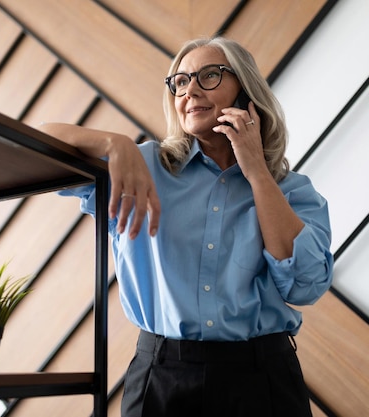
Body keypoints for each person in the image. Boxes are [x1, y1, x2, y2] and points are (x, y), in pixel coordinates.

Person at [41, 36, 333, 417]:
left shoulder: (292, 191)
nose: (190, 90)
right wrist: (115, 143)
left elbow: (304, 285)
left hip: (264, 380)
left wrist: (257, 171)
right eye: (180, 82)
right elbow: (34, 145)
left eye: (209, 75)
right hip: (162, 377)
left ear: (247, 93)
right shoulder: (142, 167)